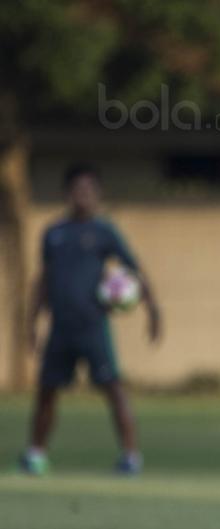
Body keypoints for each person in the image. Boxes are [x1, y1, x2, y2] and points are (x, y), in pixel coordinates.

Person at [18, 164, 161, 477]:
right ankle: (36, 453)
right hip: (60, 327)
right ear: (68, 194)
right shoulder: (53, 233)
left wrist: (153, 311)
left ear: (97, 194)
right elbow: (43, 280)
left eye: (89, 191)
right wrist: (31, 323)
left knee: (113, 388)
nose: (83, 196)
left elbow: (134, 270)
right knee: (47, 391)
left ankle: (130, 455)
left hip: (93, 326)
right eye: (77, 190)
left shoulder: (104, 231)